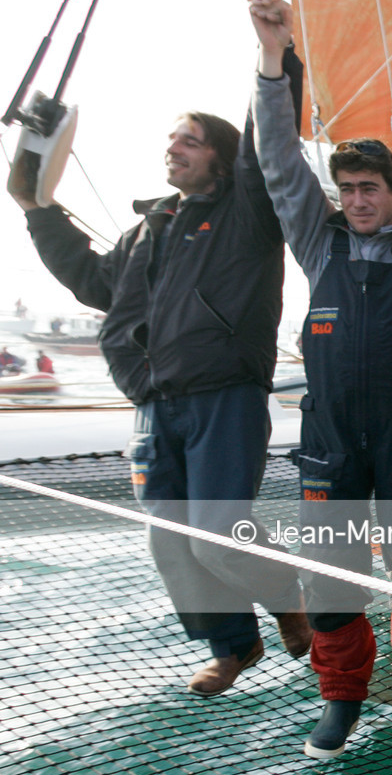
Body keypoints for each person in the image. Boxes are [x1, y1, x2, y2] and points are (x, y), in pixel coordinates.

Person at [7, 44, 309, 697]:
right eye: (172, 138)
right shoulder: (148, 230)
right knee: (171, 542)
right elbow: (94, 282)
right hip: (152, 401)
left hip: (223, 394)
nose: (174, 147)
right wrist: (37, 210)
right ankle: (234, 644)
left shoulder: (246, 208)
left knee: (216, 535)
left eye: (190, 140)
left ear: (221, 158)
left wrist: (275, 57)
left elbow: (269, 144)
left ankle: (287, 596)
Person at [249, 0, 392, 758]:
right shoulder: (320, 245)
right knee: (331, 576)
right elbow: (280, 163)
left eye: (369, 188)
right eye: (346, 190)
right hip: (331, 439)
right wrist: (271, 60)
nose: (356, 200)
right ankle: (341, 696)